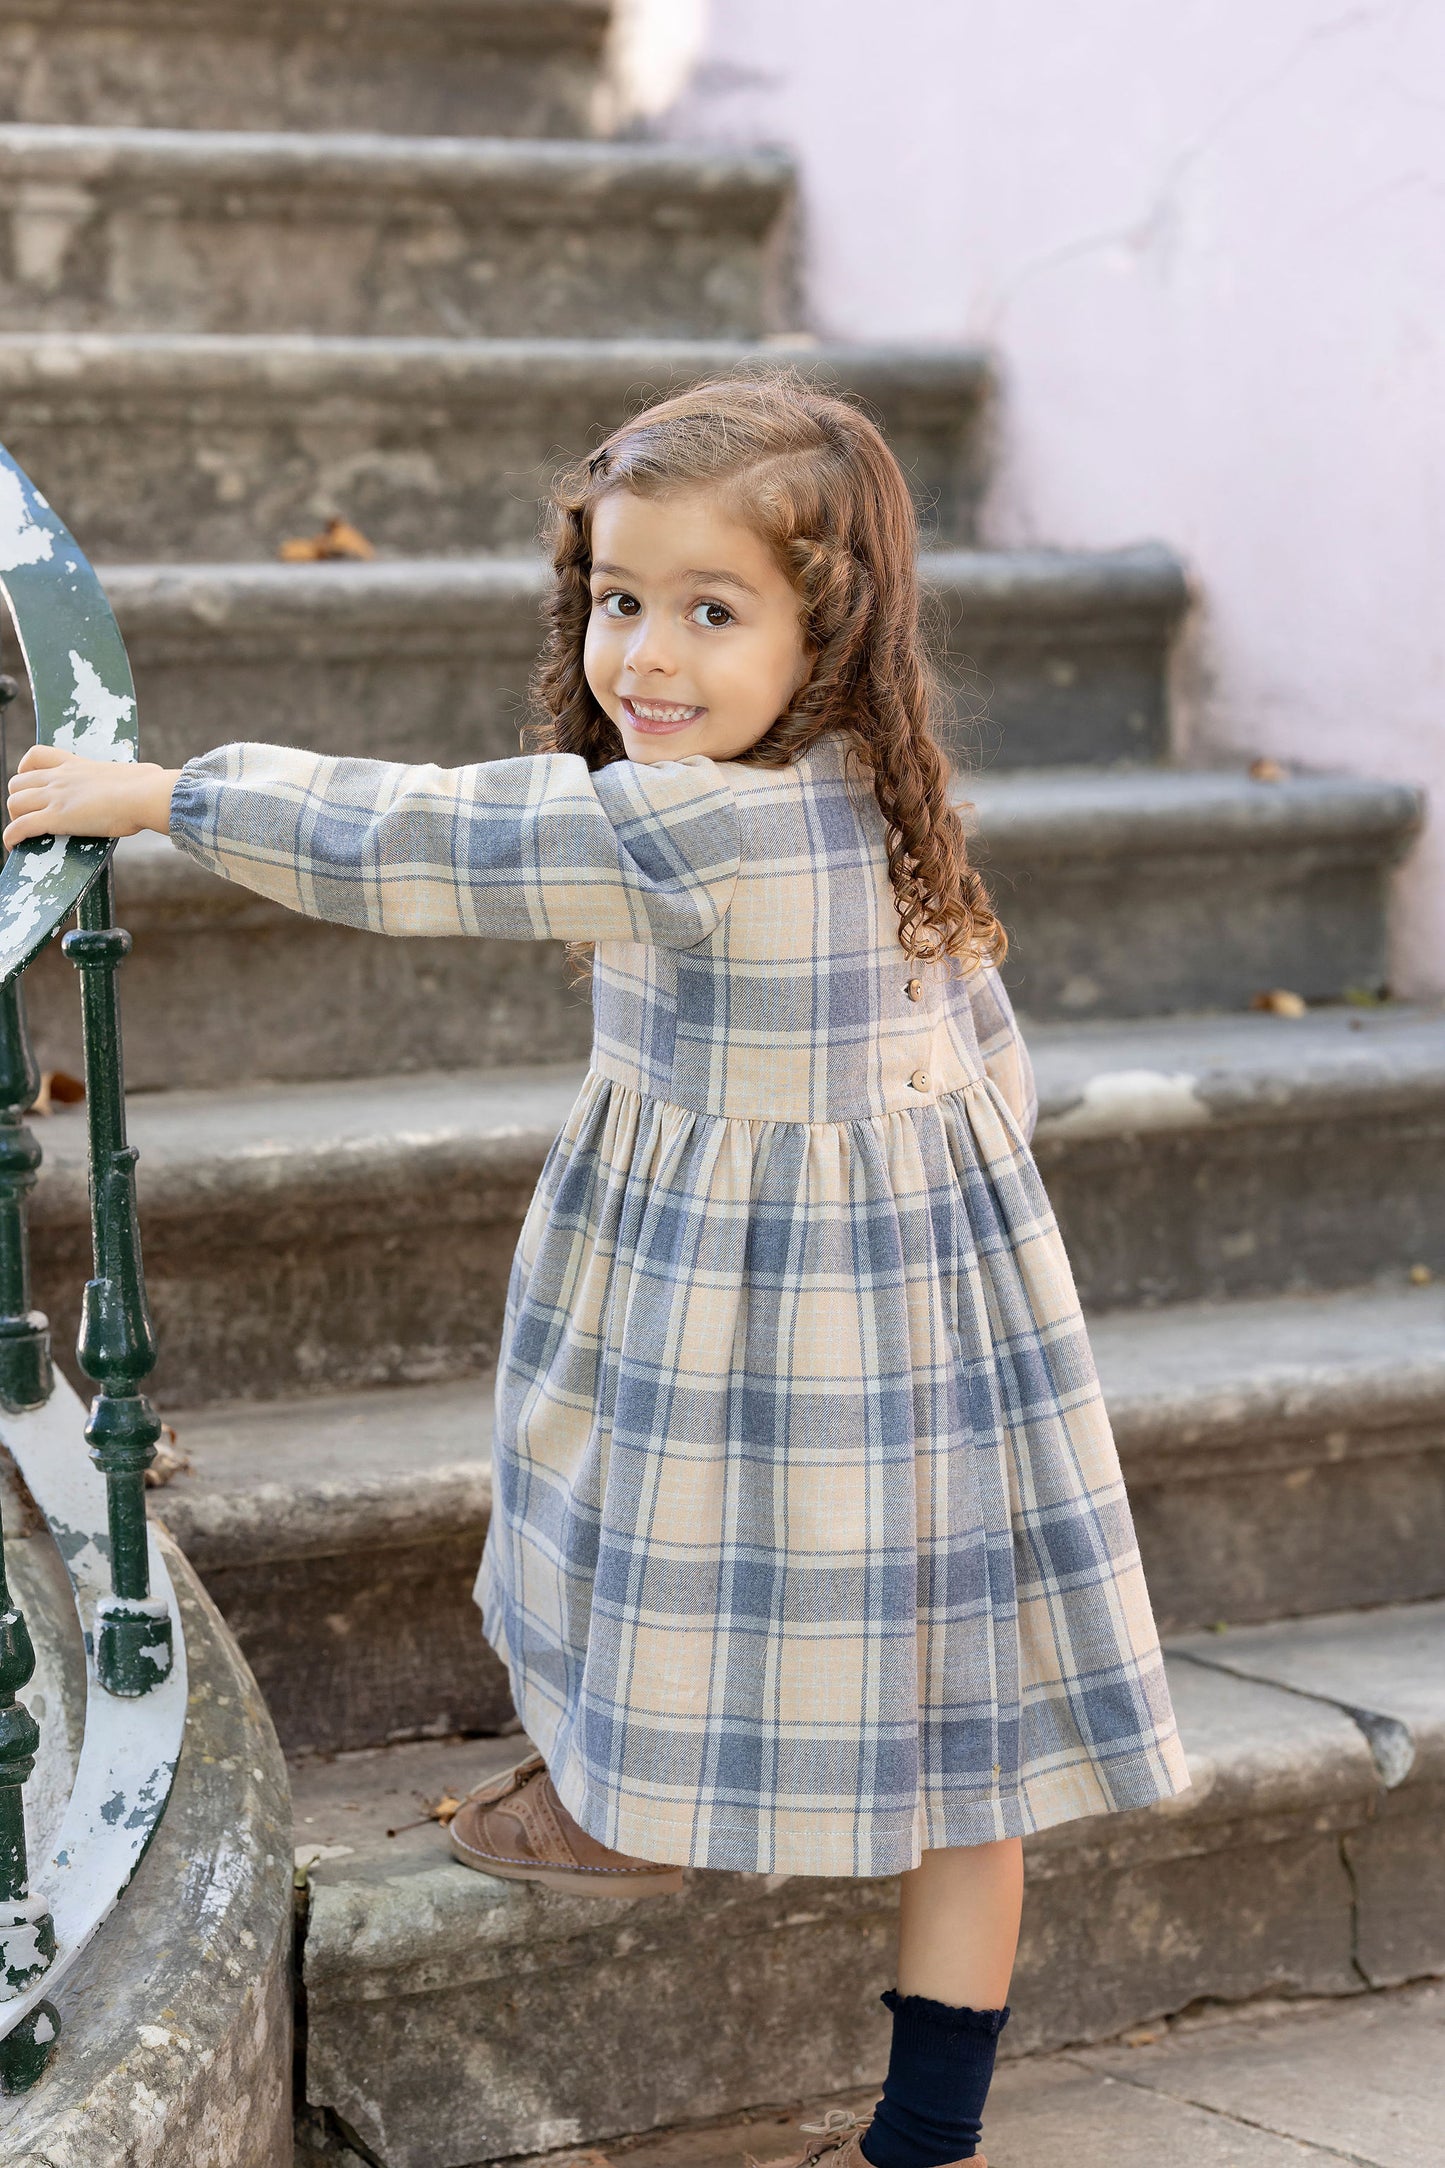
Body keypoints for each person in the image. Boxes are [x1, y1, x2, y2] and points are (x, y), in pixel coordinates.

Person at [5, 373, 1191, 2168]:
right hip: (930, 1302)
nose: (646, 654)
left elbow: (432, 835)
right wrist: (956, 1224)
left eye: (713, 612)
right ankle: (924, 2134)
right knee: (968, 1728)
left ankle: (635, 1803)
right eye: (619, 600)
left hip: (739, 1291)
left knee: (634, 1523)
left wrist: (169, 793)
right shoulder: (877, 789)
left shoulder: (685, 827)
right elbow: (981, 1032)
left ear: (832, 627)